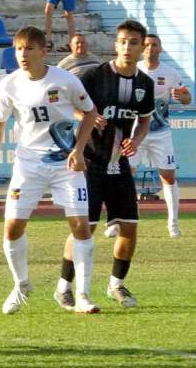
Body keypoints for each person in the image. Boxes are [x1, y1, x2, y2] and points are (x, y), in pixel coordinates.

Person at [0, 26, 101, 315]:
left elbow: (90, 113)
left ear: (43, 51)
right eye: (19, 49)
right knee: (12, 228)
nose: (23, 55)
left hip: (65, 164)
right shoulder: (9, 85)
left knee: (81, 226)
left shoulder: (65, 80)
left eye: (29, 49)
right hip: (28, 165)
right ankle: (21, 285)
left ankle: (82, 295)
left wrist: (78, 150)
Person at [62, 19, 155, 309]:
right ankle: (64, 287)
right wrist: (87, 116)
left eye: (134, 43)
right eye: (123, 42)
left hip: (119, 166)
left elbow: (144, 121)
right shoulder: (94, 76)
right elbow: (71, 106)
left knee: (129, 228)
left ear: (142, 47)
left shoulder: (145, 84)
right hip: (90, 164)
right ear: (116, 44)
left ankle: (116, 284)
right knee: (84, 229)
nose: (127, 47)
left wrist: (136, 140)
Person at [115, 33, 191, 238]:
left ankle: (173, 224)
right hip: (134, 133)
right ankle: (118, 220)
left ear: (160, 49)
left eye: (154, 45)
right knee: (124, 174)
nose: (150, 48)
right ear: (142, 48)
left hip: (160, 133)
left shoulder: (171, 73)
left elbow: (186, 98)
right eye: (147, 45)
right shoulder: (132, 70)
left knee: (168, 176)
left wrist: (183, 96)